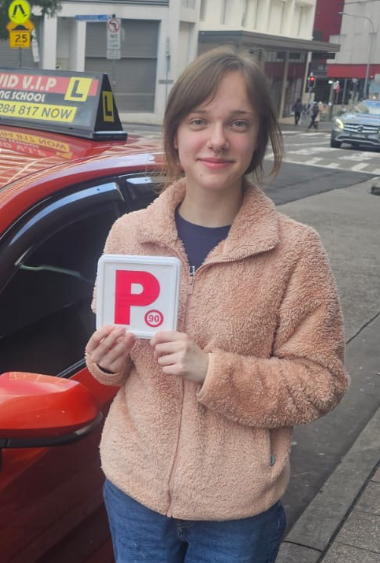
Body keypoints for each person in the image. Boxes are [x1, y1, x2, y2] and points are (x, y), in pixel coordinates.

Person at [85, 45, 349, 563]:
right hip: (134, 491)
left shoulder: (295, 250)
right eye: (199, 120)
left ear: (259, 140)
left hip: (237, 512)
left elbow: (323, 382)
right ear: (176, 136)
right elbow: (107, 360)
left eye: (238, 123)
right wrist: (104, 361)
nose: (217, 140)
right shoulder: (129, 235)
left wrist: (212, 371)